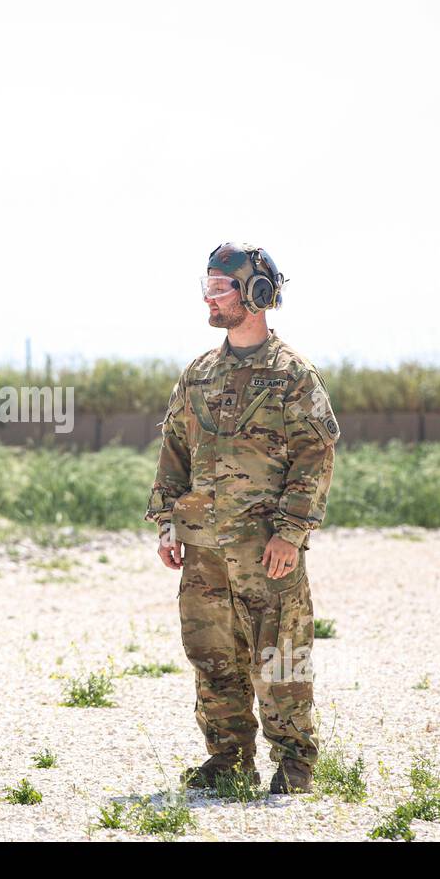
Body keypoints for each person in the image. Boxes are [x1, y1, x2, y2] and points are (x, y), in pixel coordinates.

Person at [144, 242, 340, 794]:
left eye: (221, 286)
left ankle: (295, 763)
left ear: (257, 293)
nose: (210, 296)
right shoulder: (199, 373)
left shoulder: (293, 375)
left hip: (265, 549)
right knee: (213, 657)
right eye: (206, 285)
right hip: (204, 551)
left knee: (279, 659)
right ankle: (228, 760)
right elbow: (174, 449)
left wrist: (291, 531)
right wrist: (166, 522)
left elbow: (315, 453)